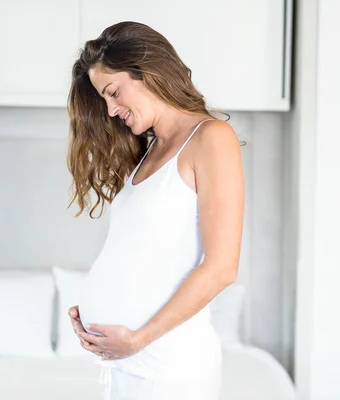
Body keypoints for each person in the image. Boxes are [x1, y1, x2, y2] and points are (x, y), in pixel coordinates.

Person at [65, 21, 244, 400]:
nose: (111, 110)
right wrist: (98, 309)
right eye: (105, 100)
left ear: (146, 69)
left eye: (113, 93)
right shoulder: (148, 152)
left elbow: (222, 267)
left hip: (169, 369)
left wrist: (138, 337)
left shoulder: (211, 139)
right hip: (127, 364)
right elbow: (142, 251)